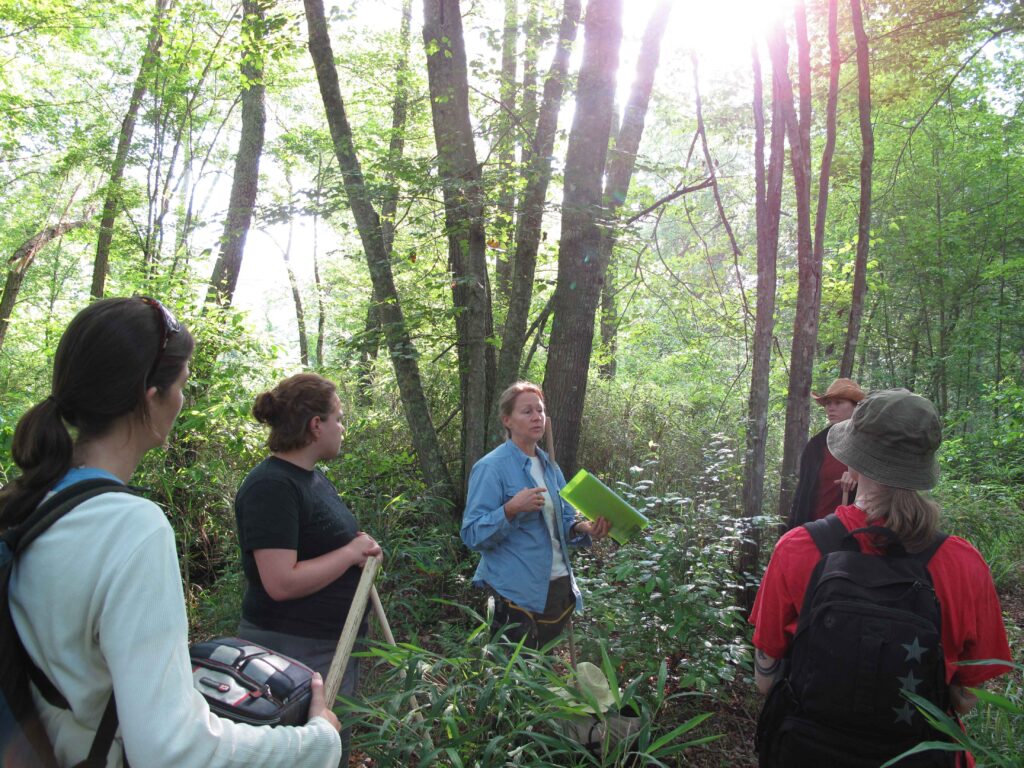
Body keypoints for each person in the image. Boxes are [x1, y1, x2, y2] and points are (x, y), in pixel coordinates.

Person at [3, 297, 341, 767]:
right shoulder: (128, 528)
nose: (183, 399)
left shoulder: (29, 502)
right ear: (151, 396)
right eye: (181, 384)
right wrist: (317, 741)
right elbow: (173, 751)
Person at [750, 388, 1012, 768]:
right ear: (922, 467)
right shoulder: (962, 563)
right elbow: (966, 699)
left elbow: (765, 680)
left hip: (809, 750)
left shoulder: (798, 547)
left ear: (853, 461)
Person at [234, 373, 381, 767]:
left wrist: (356, 547)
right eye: (338, 417)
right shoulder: (272, 487)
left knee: (329, 750)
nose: (342, 427)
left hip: (327, 646)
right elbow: (281, 582)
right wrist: (350, 553)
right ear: (316, 425)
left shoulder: (311, 480)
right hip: (291, 651)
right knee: (303, 757)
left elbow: (325, 546)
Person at [461, 381, 611, 649]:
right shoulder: (490, 468)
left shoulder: (550, 466)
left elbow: (562, 522)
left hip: (557, 587)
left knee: (543, 675)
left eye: (540, 411)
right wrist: (510, 509)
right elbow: (472, 535)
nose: (536, 417)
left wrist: (581, 528)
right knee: (514, 677)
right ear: (507, 420)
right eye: (526, 411)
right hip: (515, 592)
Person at [787, 377, 865, 528]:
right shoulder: (816, 445)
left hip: (854, 533)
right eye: (828, 403)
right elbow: (802, 494)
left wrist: (859, 475)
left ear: (856, 407)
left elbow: (886, 486)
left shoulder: (870, 442)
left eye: (838, 402)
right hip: (816, 530)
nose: (831, 408)